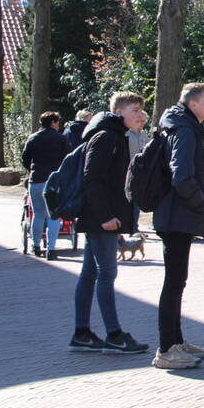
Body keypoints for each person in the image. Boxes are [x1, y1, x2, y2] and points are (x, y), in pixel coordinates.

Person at [69, 92, 148, 355]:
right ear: (119, 112)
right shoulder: (106, 137)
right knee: (106, 274)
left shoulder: (114, 135)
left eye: (141, 110)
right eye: (135, 110)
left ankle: (82, 334)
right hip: (102, 219)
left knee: (90, 274)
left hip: (101, 218)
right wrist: (105, 216)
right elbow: (92, 178)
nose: (140, 115)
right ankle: (114, 336)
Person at [151, 82, 204, 370]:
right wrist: (200, 203)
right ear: (193, 104)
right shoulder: (185, 130)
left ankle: (176, 341)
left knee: (177, 281)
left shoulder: (181, 126)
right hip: (176, 216)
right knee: (174, 283)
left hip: (175, 215)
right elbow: (181, 176)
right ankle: (167, 350)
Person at [21, 111, 71, 260]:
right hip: (54, 181)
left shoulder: (33, 138)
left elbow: (25, 158)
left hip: (36, 180)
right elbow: (67, 159)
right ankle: (51, 249)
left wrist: (32, 169)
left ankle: (36, 245)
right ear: (53, 123)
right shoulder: (61, 139)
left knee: (38, 214)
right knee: (53, 216)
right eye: (57, 122)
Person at [126, 109, 150, 230]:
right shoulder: (126, 134)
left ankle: (134, 226)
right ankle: (129, 226)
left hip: (139, 171)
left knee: (136, 199)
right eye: (139, 121)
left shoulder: (143, 134)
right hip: (127, 170)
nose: (141, 123)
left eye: (143, 121)